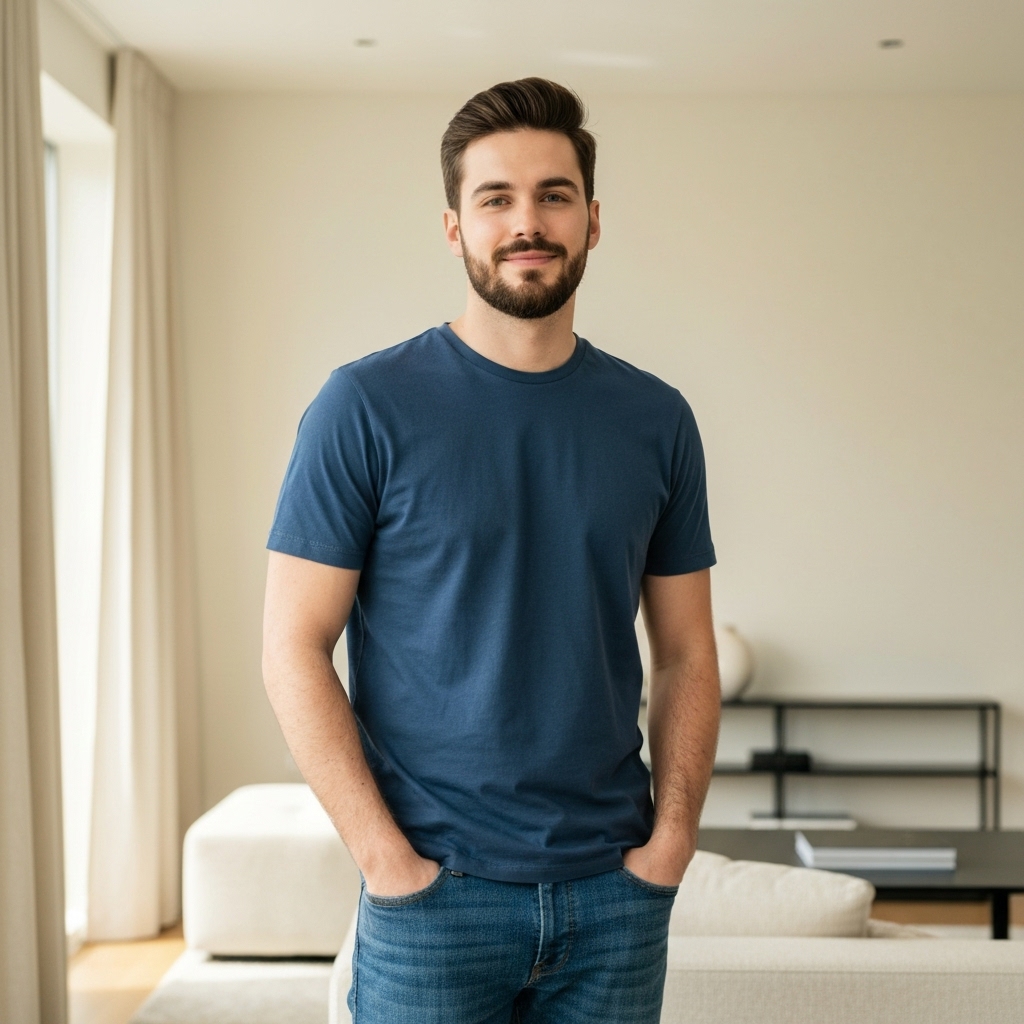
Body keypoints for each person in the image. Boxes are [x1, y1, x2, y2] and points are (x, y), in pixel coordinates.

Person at [262, 77, 720, 1024]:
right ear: (453, 226)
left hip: (615, 896)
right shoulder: (363, 408)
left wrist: (668, 845)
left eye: (554, 195)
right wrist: (389, 865)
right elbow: (292, 648)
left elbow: (685, 652)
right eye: (496, 199)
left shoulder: (656, 420)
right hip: (435, 898)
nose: (528, 222)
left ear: (593, 221)